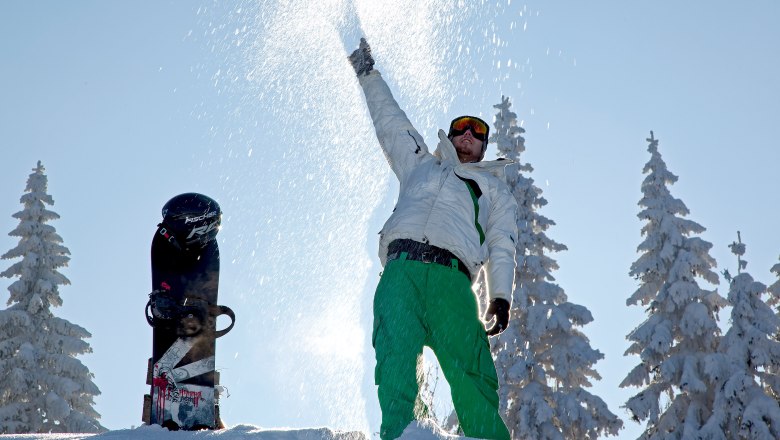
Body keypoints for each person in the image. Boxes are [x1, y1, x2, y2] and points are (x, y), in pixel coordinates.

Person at [349, 38, 517, 440]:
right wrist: (367, 73)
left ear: (483, 147)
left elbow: (502, 244)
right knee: (394, 362)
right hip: (401, 272)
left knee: (470, 369)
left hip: (452, 280)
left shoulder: (493, 191)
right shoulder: (421, 163)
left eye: (476, 134)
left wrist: (501, 295)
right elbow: (391, 122)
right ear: (451, 136)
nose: (467, 136)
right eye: (461, 129)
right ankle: (400, 435)